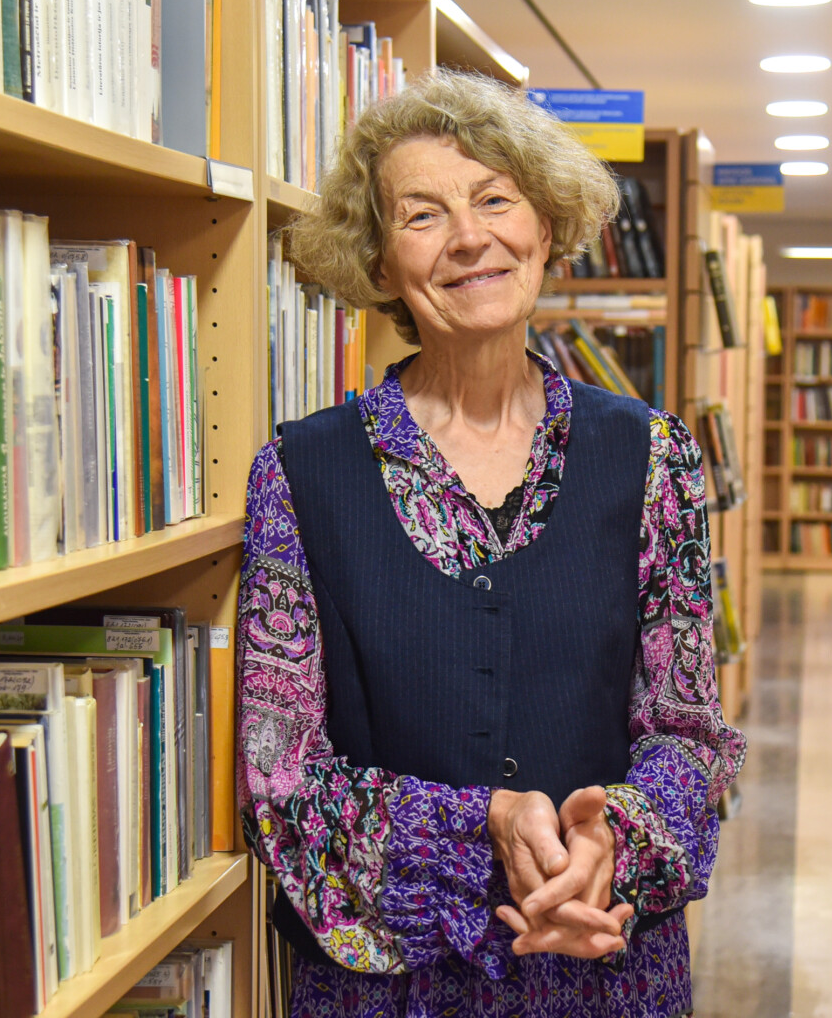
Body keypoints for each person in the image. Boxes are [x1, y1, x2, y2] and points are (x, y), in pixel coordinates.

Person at [238, 69, 746, 1018]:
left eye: (496, 200)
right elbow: (282, 779)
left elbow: (688, 731)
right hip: (392, 992)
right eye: (422, 215)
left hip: (606, 971)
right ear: (379, 264)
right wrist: (489, 826)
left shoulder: (654, 456)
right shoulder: (297, 475)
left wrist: (610, 840)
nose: (470, 237)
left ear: (546, 228)